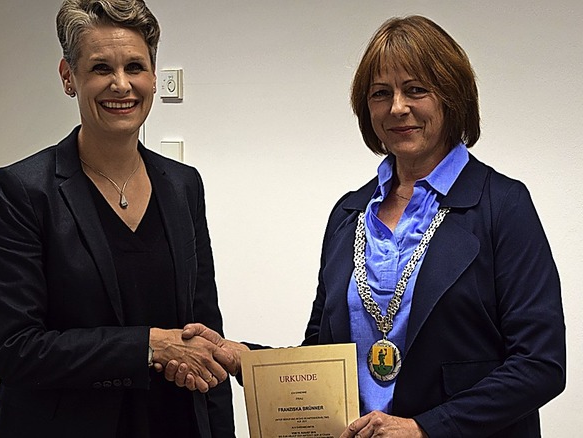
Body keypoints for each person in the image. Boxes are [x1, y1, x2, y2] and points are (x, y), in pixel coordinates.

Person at [164, 15, 566, 438]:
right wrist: (245, 358)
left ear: (451, 96)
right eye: (380, 94)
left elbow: (539, 365)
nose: (397, 108)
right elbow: (322, 359)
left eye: (416, 90)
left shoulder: (502, 205)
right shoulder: (349, 215)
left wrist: (424, 429)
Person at [0, 1, 236, 437]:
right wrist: (148, 346)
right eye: (101, 68)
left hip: (172, 422)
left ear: (153, 77)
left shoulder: (183, 185)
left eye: (135, 66)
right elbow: (16, 349)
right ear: (68, 77)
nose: (121, 85)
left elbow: (204, 333)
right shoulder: (21, 190)